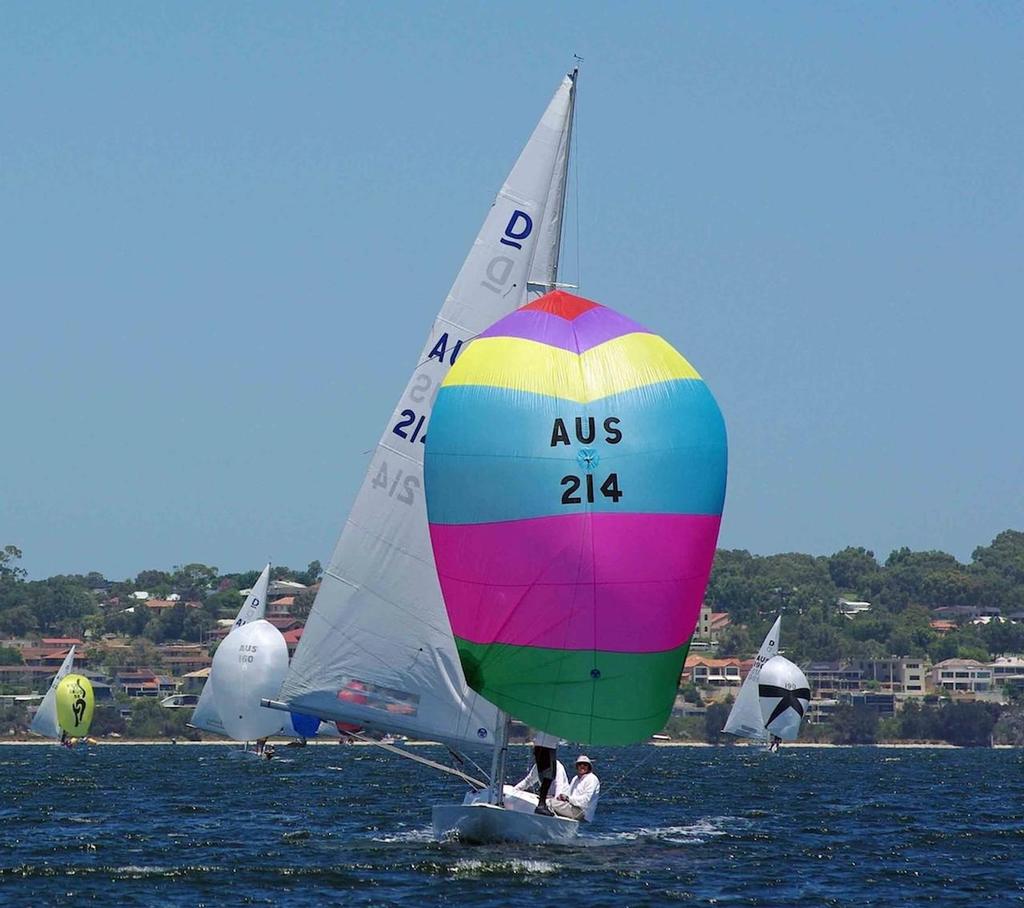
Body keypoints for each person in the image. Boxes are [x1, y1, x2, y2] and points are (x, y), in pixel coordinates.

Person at [549, 755, 600, 822]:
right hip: (572, 807)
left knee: (549, 803)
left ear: (589, 767)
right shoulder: (575, 778)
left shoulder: (592, 779)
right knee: (550, 800)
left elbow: (585, 801)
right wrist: (561, 797)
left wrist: (567, 798)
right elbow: (569, 793)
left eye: (585, 764)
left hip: (582, 813)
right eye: (580, 764)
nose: (582, 766)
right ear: (577, 766)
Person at [525, 731, 560, 816]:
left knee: (545, 775)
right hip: (547, 747)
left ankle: (542, 802)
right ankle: (541, 805)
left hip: (541, 746)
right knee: (549, 776)